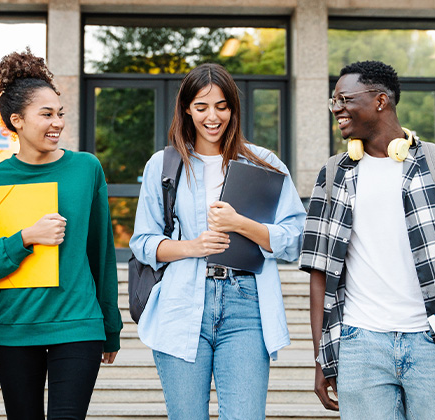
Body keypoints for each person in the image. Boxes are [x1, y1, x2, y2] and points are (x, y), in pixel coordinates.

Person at [299, 60, 435, 420]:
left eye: (344, 99)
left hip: (433, 343)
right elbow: (319, 272)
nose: (337, 109)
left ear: (380, 101)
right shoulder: (333, 175)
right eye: (334, 101)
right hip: (359, 345)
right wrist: (322, 357)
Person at [129, 63, 306, 420]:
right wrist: (193, 247)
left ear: (233, 109)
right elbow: (144, 242)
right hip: (180, 302)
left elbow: (295, 239)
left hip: (246, 304)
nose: (213, 116)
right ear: (186, 110)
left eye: (222, 106)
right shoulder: (163, 165)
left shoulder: (263, 163)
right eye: (202, 106)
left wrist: (242, 224)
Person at [0, 49, 122, 420]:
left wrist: (111, 326)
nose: (57, 123)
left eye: (60, 114)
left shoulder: (86, 169)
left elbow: (100, 252)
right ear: (16, 121)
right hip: (15, 330)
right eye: (46, 114)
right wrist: (25, 238)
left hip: (78, 325)